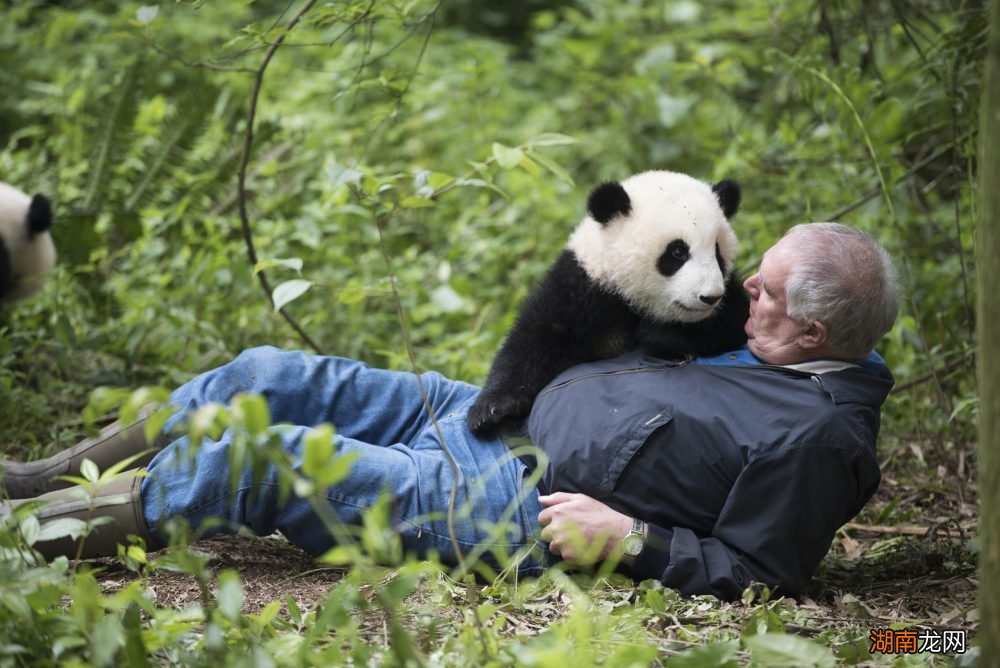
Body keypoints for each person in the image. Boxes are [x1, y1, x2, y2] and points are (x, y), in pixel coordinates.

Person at [0, 222, 900, 600]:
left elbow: (760, 571)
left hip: (511, 500)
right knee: (263, 372)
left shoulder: (818, 437)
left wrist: (631, 540)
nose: (747, 286)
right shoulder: (769, 335)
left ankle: (22, 534)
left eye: (768, 288)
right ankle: (41, 481)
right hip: (479, 410)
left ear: (814, 328)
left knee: (256, 460)